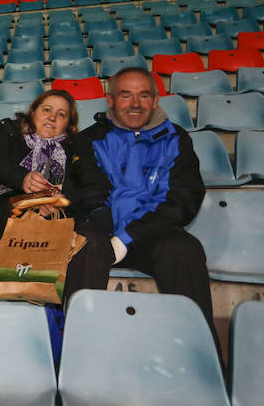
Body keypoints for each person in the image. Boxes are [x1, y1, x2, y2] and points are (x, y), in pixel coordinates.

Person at [70, 67, 219, 344]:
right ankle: (78, 349)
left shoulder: (176, 138)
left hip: (153, 233)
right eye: (126, 95)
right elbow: (89, 193)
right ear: (111, 100)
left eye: (144, 95)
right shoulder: (89, 139)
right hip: (105, 233)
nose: (136, 104)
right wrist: (108, 231)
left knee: (184, 249)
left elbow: (182, 199)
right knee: (85, 244)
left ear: (155, 100)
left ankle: (201, 355)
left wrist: (128, 236)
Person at [0, 89, 111, 283]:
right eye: (47, 110)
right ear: (33, 112)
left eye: (61, 114)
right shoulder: (8, 130)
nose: (52, 117)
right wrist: (22, 178)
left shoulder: (76, 148)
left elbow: (87, 185)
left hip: (39, 228)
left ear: (68, 124)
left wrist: (58, 202)